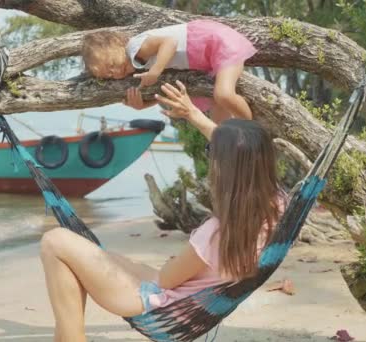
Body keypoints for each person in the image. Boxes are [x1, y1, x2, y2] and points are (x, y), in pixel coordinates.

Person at [40, 81, 286, 342]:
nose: (209, 155)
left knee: (55, 241)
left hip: (162, 305)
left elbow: (167, 279)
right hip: (189, 300)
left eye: (210, 151)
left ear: (223, 167)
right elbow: (244, 154)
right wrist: (193, 114)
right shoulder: (276, 205)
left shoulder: (215, 232)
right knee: (89, 256)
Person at [81, 20, 257, 123]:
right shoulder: (138, 66)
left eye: (112, 63)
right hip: (205, 57)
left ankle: (253, 130)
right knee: (218, 117)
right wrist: (143, 105)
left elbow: (170, 43)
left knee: (223, 95)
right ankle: (233, 143)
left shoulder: (135, 47)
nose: (116, 71)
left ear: (117, 44)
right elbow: (162, 91)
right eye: (109, 75)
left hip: (215, 42)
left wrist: (155, 71)